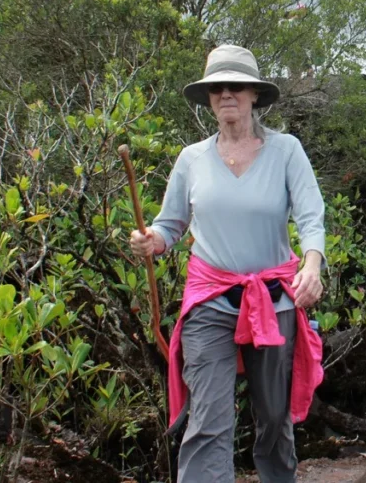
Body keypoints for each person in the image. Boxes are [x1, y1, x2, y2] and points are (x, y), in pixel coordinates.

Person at [129, 44, 325, 483]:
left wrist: (311, 265)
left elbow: (311, 217)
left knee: (275, 420)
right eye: (217, 88)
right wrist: (152, 241)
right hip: (210, 301)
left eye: (236, 86)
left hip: (273, 301)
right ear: (209, 98)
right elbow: (169, 225)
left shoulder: (286, 151)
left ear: (255, 95)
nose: (226, 95)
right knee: (209, 419)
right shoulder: (191, 159)